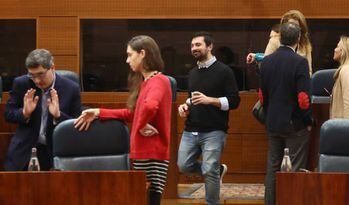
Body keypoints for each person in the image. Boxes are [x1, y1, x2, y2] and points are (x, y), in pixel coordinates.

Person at [74, 35, 172, 205]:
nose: (127, 60)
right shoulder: (147, 82)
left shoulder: (159, 81)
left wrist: (141, 125)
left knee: (149, 200)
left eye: (129, 54)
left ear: (142, 53)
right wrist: (98, 112)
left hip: (151, 153)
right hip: (145, 152)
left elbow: (149, 107)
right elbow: (133, 114)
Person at [177, 31, 240, 205]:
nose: (194, 48)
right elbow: (192, 98)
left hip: (215, 130)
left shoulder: (225, 71)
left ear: (210, 46)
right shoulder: (192, 73)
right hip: (191, 129)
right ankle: (217, 170)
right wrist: (185, 106)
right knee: (183, 166)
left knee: (209, 169)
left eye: (198, 45)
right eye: (192, 46)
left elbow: (235, 101)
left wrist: (210, 100)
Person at [260, 22, 313, 205]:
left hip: (273, 123)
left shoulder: (266, 61)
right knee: (294, 171)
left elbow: (262, 96)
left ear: (280, 38)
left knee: (273, 169)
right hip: (295, 124)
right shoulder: (300, 62)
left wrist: (269, 117)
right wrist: (308, 120)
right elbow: (303, 98)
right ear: (298, 39)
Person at [4, 49, 82, 171]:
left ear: (52, 68)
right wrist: (24, 113)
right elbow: (8, 114)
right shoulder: (21, 83)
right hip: (24, 150)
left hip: (55, 152)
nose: (37, 80)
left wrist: (58, 115)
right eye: (32, 75)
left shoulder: (71, 88)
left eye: (41, 74)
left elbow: (77, 123)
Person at [247, 10, 313, 75]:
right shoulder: (275, 41)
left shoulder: (305, 44)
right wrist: (256, 56)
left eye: (296, 26)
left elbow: (309, 72)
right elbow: (266, 65)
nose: (293, 29)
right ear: (283, 27)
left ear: (301, 28)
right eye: (290, 26)